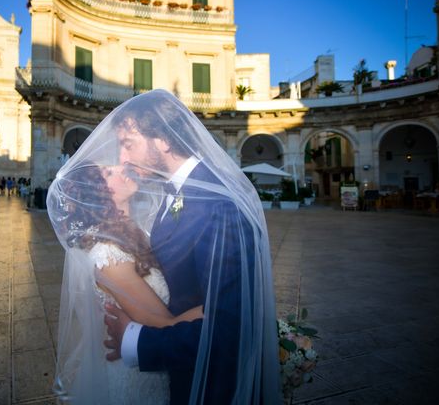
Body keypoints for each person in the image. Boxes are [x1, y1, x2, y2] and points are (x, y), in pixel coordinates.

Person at [47, 90, 280, 404]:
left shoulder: (218, 205)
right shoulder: (172, 199)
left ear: (163, 140)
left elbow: (229, 327)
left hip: (210, 385)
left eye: (128, 144)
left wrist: (136, 341)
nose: (123, 159)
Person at [49, 163, 203, 404]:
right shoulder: (107, 255)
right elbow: (166, 324)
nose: (121, 167)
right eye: (109, 172)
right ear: (101, 193)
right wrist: (221, 308)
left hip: (155, 364)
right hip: (137, 379)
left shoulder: (136, 231)